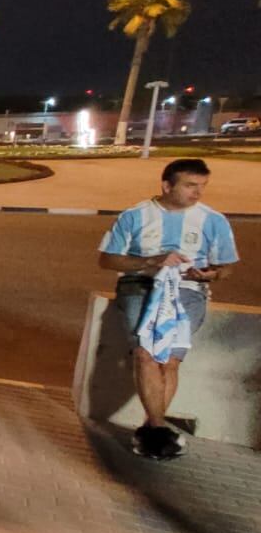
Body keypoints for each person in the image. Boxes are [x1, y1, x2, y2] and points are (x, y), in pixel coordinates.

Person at [98, 158, 239, 460]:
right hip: (140, 285)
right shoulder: (135, 216)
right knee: (145, 352)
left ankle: (151, 430)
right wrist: (151, 261)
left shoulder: (213, 220)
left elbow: (227, 266)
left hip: (188, 290)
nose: (197, 193)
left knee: (170, 361)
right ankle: (158, 430)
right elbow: (108, 260)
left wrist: (210, 275)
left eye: (202, 186)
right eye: (190, 185)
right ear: (167, 185)